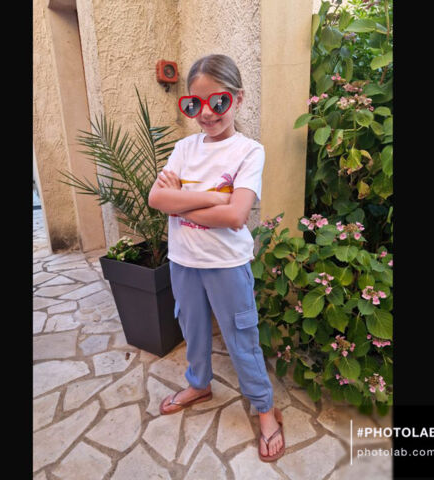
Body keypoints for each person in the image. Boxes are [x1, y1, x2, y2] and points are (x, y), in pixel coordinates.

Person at [148, 54, 285, 462]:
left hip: (227, 265)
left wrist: (182, 202)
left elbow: (236, 216)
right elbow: (156, 198)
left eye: (218, 101)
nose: (206, 113)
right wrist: (214, 198)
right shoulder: (183, 148)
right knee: (192, 328)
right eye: (194, 104)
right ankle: (199, 383)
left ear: (238, 99)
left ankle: (264, 408)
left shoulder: (249, 151)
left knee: (242, 337)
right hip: (183, 261)